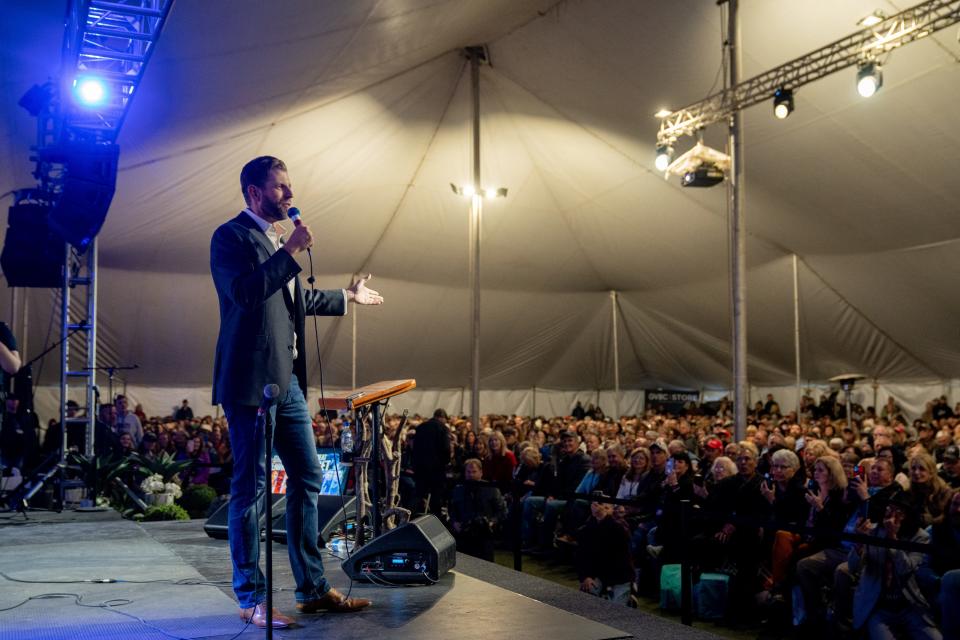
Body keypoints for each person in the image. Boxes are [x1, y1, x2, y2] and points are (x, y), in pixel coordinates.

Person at [210, 155, 382, 628]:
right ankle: (251, 597)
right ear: (253, 193)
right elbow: (245, 294)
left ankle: (311, 589)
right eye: (280, 187)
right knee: (251, 488)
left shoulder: (273, 242)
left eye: (289, 186)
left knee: (307, 477)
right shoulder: (230, 237)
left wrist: (347, 297)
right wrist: (288, 255)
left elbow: (294, 300)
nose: (290, 195)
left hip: (286, 386)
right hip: (249, 385)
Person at [448, 459, 507, 561]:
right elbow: (452, 510)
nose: (471, 475)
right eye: (468, 472)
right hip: (463, 533)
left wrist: (492, 522)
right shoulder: (458, 490)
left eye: (474, 472)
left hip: (484, 533)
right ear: (465, 473)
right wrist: (454, 523)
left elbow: (502, 511)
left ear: (481, 472)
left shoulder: (491, 489)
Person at [412, 408, 452, 517]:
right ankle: (436, 519)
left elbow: (414, 448)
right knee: (436, 496)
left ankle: (414, 517)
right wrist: (446, 462)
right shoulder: (443, 428)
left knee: (419, 494)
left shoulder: (421, 427)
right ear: (442, 418)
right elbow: (446, 449)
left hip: (420, 468)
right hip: (436, 469)